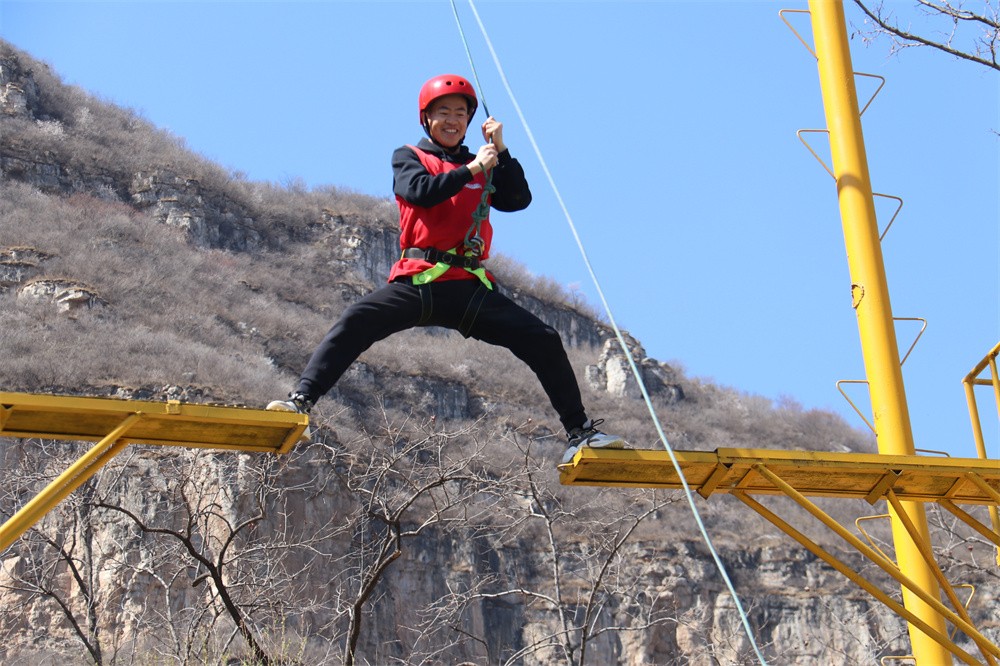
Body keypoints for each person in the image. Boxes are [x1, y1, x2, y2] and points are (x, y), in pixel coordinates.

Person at [268, 74, 623, 464]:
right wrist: (472, 170)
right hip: (421, 279)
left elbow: (518, 199)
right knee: (357, 319)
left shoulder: (483, 164)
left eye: (460, 113)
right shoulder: (410, 157)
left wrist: (501, 152)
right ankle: (300, 401)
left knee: (543, 338)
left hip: (468, 287)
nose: (452, 120)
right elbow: (419, 192)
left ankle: (579, 432)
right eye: (443, 113)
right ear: (427, 119)